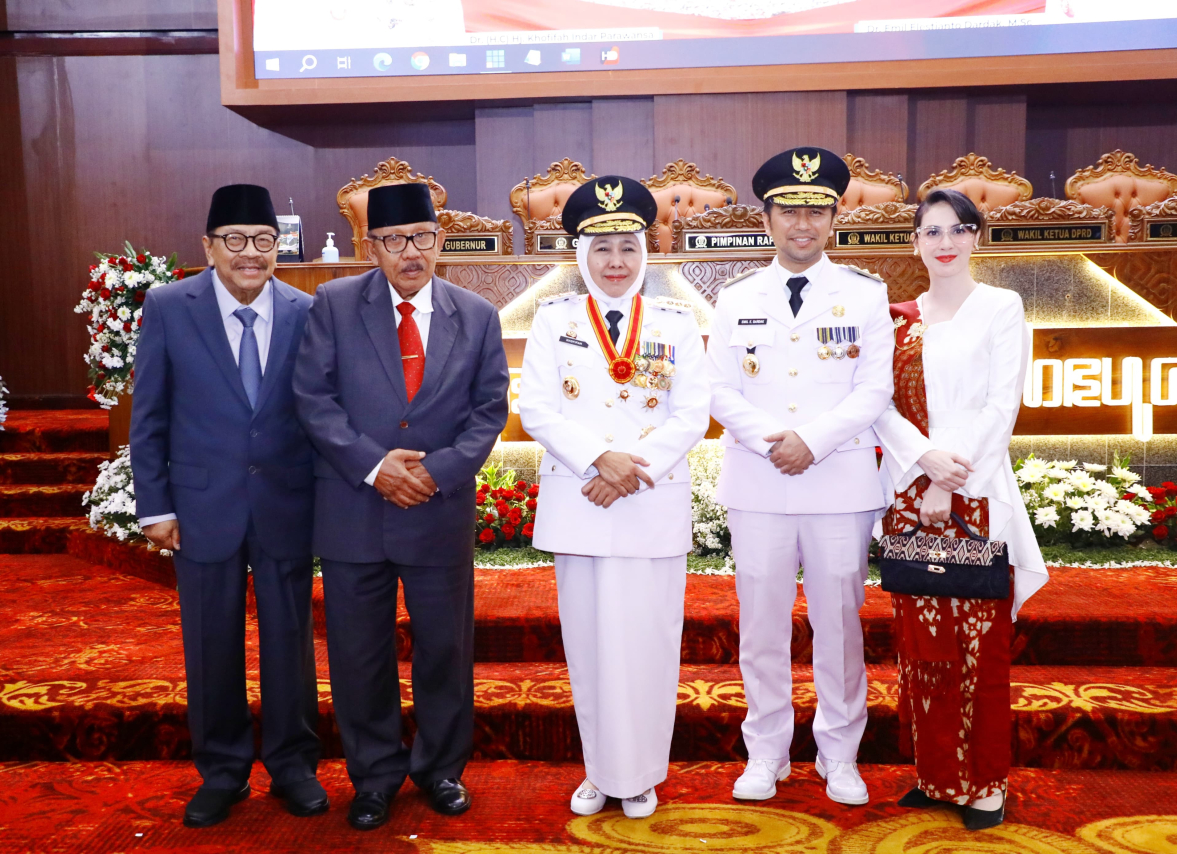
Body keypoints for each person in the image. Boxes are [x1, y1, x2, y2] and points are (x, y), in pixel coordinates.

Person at [292, 182, 509, 831]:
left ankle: (441, 769)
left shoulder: (476, 314)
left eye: (420, 237)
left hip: (437, 513)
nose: (408, 252)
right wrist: (373, 466)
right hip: (355, 511)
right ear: (371, 246)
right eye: (392, 240)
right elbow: (313, 399)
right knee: (359, 655)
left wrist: (436, 473)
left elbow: (488, 409)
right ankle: (375, 776)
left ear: (439, 241)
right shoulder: (331, 304)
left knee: (444, 650)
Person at [131, 184, 325, 827]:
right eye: (236, 241)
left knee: (290, 642)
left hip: (285, 504)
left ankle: (293, 766)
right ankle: (222, 770)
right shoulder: (168, 307)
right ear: (208, 246)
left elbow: (323, 415)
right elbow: (150, 416)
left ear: (280, 248)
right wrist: (154, 505)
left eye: (264, 242)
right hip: (201, 505)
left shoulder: (307, 310)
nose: (251, 254)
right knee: (209, 641)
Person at [519, 177, 710, 819]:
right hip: (583, 499)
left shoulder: (677, 323)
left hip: (648, 501)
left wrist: (633, 467)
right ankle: (600, 771)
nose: (616, 262)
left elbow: (693, 412)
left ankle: (643, 775)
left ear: (645, 251)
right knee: (591, 647)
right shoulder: (554, 321)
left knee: (650, 644)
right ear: (581, 255)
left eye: (628, 246)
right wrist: (600, 459)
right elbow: (537, 407)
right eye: (602, 249)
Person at [707, 148, 894, 806]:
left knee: (839, 625)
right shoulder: (735, 299)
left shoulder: (866, 297)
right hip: (758, 484)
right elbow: (718, 390)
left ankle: (838, 753)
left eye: (817, 210)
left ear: (835, 217)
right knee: (759, 624)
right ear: (767, 219)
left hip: (837, 484)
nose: (803, 223)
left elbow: (873, 392)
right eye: (790, 210)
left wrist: (810, 442)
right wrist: (771, 442)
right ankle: (767, 753)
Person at [873, 188, 1048, 831]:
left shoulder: (1001, 307)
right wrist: (922, 463)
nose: (944, 243)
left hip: (973, 491)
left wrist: (949, 477)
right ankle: (936, 775)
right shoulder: (895, 318)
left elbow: (1001, 406)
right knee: (923, 644)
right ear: (915, 242)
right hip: (909, 491)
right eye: (931, 232)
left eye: (957, 230)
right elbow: (879, 403)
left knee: (980, 642)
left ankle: (986, 784)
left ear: (976, 236)